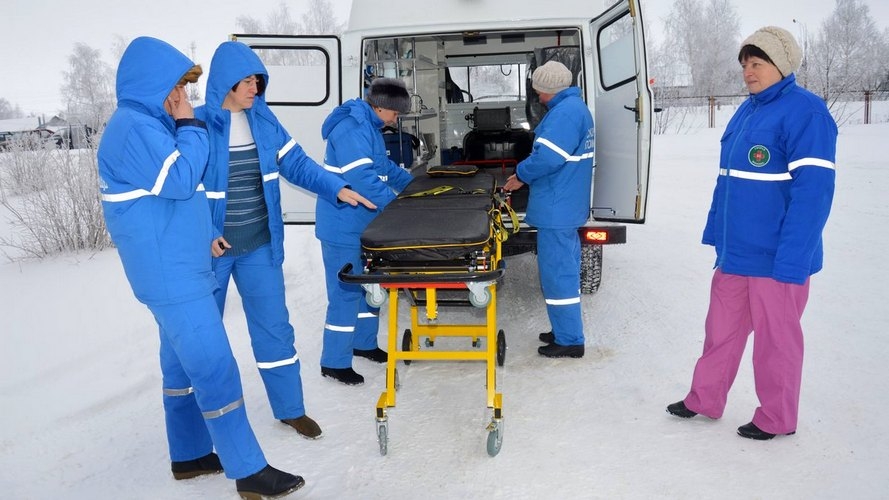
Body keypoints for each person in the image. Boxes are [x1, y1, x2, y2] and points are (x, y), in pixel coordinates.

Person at [97, 36, 304, 498]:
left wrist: (206, 232)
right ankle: (249, 471)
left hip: (178, 267)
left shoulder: (146, 125)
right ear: (151, 84)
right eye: (176, 86)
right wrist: (190, 123)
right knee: (215, 368)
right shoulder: (134, 128)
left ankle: (189, 455)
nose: (181, 95)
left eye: (185, 88)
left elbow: (177, 198)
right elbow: (181, 178)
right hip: (173, 276)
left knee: (179, 366)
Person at [666, 26, 837, 440]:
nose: (748, 72)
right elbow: (728, 181)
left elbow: (813, 195)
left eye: (757, 63)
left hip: (777, 258)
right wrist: (717, 234)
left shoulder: (807, 113)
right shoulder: (748, 111)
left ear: (781, 65)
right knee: (720, 332)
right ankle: (705, 398)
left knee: (776, 342)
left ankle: (777, 417)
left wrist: (793, 259)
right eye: (745, 64)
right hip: (736, 254)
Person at [195, 42, 376, 427]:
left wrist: (336, 187)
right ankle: (204, 424)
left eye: (257, 80)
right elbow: (184, 191)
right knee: (202, 337)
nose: (255, 88)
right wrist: (206, 231)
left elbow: (297, 164)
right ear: (226, 82)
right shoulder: (199, 125)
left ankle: (291, 410)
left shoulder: (263, 120)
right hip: (210, 252)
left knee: (275, 328)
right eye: (247, 81)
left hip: (259, 246)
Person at [314, 77, 415, 385]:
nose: (395, 119)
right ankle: (334, 362)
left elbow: (384, 170)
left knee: (371, 288)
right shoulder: (352, 128)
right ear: (381, 107)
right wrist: (397, 208)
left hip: (364, 223)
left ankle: (364, 343)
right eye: (395, 113)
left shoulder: (370, 127)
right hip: (342, 225)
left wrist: (416, 187)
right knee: (345, 293)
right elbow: (362, 180)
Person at [503, 60, 595, 359]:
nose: (539, 98)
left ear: (550, 89)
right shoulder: (574, 109)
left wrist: (520, 175)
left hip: (558, 208)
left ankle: (570, 340)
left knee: (558, 276)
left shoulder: (565, 114)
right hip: (565, 205)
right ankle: (563, 330)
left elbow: (548, 159)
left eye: (540, 91)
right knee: (562, 271)